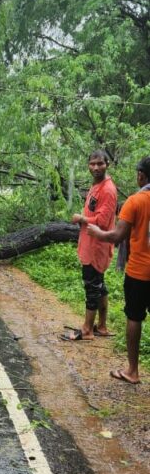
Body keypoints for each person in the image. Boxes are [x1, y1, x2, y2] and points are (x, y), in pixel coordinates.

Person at [87, 156, 150, 384]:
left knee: (135, 317)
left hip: (140, 271)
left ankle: (132, 370)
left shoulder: (135, 201)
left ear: (141, 175)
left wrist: (96, 233)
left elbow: (117, 235)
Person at [63, 150, 117, 341]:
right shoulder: (97, 185)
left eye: (99, 164)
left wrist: (81, 218)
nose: (95, 167)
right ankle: (101, 326)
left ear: (107, 164)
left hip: (97, 247)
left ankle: (87, 330)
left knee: (92, 287)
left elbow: (102, 222)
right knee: (99, 285)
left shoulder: (108, 190)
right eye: (92, 164)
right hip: (90, 244)